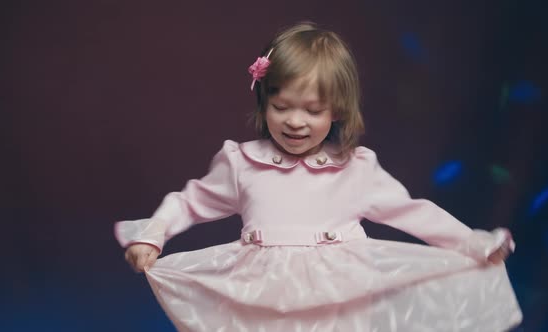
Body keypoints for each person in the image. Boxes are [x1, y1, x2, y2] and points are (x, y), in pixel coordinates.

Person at [115, 22, 522, 331]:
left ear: (338, 111)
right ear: (263, 100)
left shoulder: (357, 169)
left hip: (342, 298)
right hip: (262, 298)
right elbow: (190, 201)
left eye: (312, 110)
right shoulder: (241, 163)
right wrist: (153, 234)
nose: (295, 122)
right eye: (282, 107)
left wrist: (472, 243)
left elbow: (413, 212)